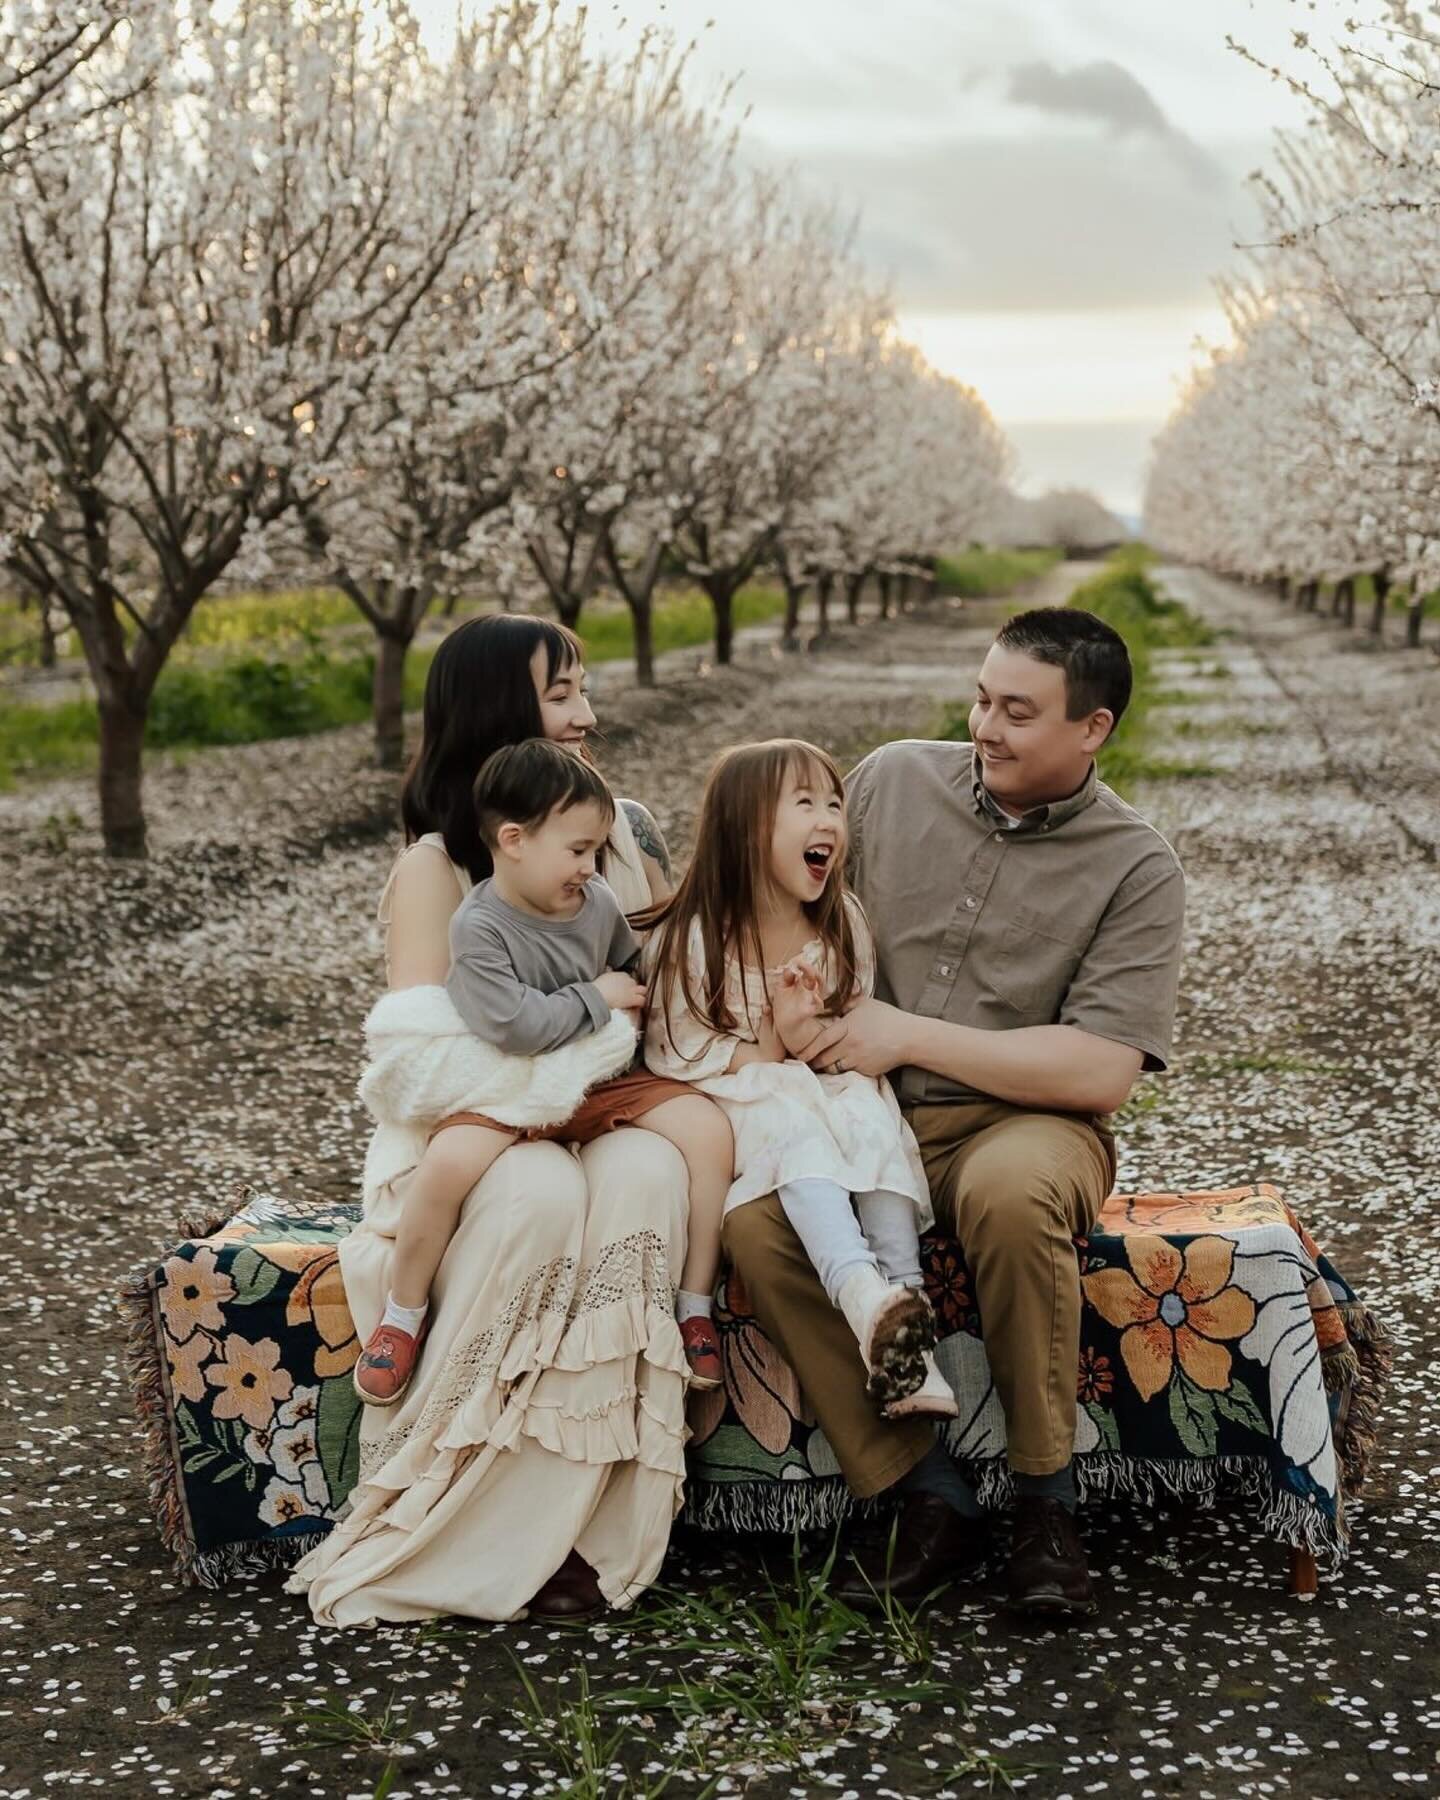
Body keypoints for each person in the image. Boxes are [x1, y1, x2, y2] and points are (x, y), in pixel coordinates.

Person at [720, 608, 1187, 1619]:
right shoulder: (890, 779)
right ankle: (921, 1493)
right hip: (859, 1109)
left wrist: (907, 1035)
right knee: (757, 1218)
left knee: (1015, 1198)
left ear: (1091, 729)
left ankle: (1044, 1506)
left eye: (1018, 712)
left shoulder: (1136, 866)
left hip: (1023, 1121)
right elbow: (778, 886)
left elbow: (1102, 1069)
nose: (985, 725)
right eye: (981, 697)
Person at [286, 613, 696, 1626]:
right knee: (539, 1195)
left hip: (601, 1109)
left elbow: (668, 986)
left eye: (583, 690)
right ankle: (468, 1513)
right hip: (470, 1131)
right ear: (497, 711)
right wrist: (592, 1029)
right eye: (562, 694)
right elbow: (433, 1061)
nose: (587, 715)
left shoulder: (620, 830)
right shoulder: (439, 868)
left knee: (649, 1177)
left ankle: (595, 1518)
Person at [352, 739, 731, 1407]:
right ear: (513, 840)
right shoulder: (480, 928)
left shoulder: (599, 904)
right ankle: (402, 1313)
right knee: (445, 1166)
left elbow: (631, 969)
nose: (590, 867)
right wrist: (598, 999)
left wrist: (645, 989)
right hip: (513, 1086)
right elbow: (514, 1028)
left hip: (597, 1079)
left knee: (708, 1131)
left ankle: (694, 1301)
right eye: (578, 850)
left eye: (596, 851)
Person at [643, 739, 956, 1419]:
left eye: (835, 804)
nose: (829, 821)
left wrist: (803, 1034)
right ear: (747, 827)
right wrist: (775, 1037)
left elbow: (831, 1047)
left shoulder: (841, 923)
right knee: (793, 1116)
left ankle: (908, 1317)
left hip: (809, 1081)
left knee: (868, 1109)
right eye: (805, 803)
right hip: (739, 1093)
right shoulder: (696, 938)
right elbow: (681, 1053)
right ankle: (860, 1293)